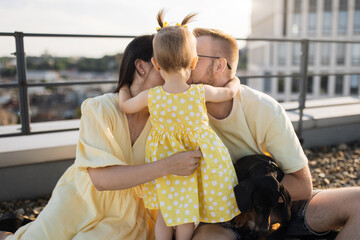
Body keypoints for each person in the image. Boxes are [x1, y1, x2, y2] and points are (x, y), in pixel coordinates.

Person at [0, 34, 203, 240]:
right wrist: (167, 165)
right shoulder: (100, 108)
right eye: (166, 62)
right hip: (80, 200)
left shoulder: (169, 118)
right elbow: (100, 179)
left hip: (132, 215)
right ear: (143, 67)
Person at [189, 28, 360, 240]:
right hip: (223, 219)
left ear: (219, 65)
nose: (184, 64)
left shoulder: (263, 108)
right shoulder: (180, 107)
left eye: (193, 58)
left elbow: (302, 184)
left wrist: (254, 201)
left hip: (277, 206)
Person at [118, 11, 240, 240]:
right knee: (187, 213)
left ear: (155, 63)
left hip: (165, 160)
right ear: (193, 62)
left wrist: (124, 87)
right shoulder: (199, 92)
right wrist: (236, 81)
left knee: (166, 211)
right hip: (196, 159)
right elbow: (227, 92)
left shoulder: (152, 96)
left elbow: (126, 106)